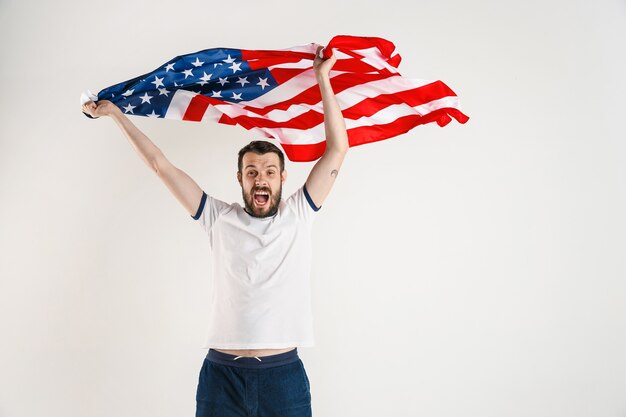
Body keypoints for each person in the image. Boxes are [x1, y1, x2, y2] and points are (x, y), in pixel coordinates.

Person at [82, 46, 347, 417]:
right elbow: (161, 166)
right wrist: (117, 116)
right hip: (221, 378)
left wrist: (323, 78)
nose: (261, 179)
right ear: (240, 178)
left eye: (270, 171)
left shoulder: (299, 214)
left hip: (283, 377)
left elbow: (337, 149)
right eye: (252, 171)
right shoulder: (218, 218)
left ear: (282, 178)